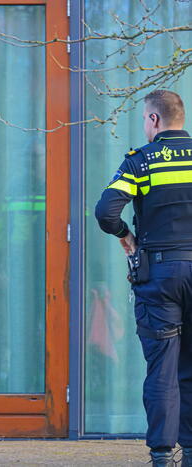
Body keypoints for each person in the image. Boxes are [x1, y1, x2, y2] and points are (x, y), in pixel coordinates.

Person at [95, 90, 192, 467]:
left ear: (154, 119)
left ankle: (162, 456)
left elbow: (106, 212)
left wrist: (126, 235)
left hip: (160, 275)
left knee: (162, 368)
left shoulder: (142, 161)